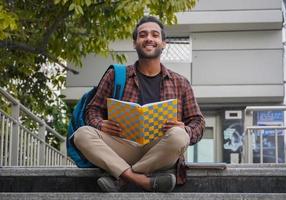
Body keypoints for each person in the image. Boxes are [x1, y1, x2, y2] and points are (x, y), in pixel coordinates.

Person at [73, 15, 205, 193]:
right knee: (81, 134)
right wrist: (100, 124)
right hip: (123, 146)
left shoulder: (180, 82)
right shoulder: (116, 76)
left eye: (154, 35)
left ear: (163, 43)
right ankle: (142, 180)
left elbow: (198, 122)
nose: (149, 38)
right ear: (134, 43)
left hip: (161, 149)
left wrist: (185, 128)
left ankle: (123, 177)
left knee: (179, 136)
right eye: (143, 35)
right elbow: (92, 110)